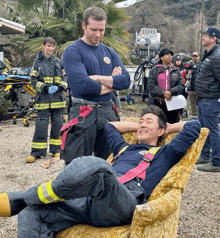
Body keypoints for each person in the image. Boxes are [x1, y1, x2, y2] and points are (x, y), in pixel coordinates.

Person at [0, 105, 201, 238]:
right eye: (140, 121)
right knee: (33, 211)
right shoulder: (123, 148)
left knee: (101, 170)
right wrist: (140, 126)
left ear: (160, 131)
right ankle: (27, 202)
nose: (142, 124)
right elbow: (110, 127)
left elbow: (195, 126)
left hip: (122, 203)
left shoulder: (165, 152)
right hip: (88, 203)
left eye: (148, 121)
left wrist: (168, 127)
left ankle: (23, 197)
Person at [61, 7, 130, 165]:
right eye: (93, 29)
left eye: (102, 30)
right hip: (83, 112)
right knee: (77, 165)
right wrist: (112, 81)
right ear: (83, 26)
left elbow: (125, 81)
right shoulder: (73, 51)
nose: (98, 34)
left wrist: (96, 78)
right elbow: (82, 86)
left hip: (107, 112)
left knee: (107, 164)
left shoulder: (109, 52)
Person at [26, 37, 68, 163]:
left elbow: (66, 78)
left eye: (52, 46)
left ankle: (56, 150)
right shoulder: (37, 63)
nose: (50, 49)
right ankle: (37, 152)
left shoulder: (59, 62)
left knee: (57, 126)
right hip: (43, 99)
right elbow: (33, 81)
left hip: (58, 100)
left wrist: (60, 86)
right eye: (48, 46)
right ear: (43, 46)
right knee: (41, 126)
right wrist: (44, 88)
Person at [195, 26, 220, 172]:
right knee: (204, 129)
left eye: (205, 35)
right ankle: (205, 155)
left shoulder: (217, 56)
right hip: (203, 98)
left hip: (211, 98)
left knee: (212, 130)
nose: (202, 37)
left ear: (213, 39)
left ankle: (217, 161)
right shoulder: (208, 54)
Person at [147, 48, 185, 124]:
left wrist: (171, 92)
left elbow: (181, 85)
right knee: (157, 124)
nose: (169, 56)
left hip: (173, 103)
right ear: (161, 58)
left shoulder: (176, 70)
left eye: (170, 55)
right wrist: (163, 93)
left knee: (171, 125)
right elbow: (151, 86)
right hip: (157, 103)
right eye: (167, 55)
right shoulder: (154, 71)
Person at [185, 51, 200, 117]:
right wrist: (188, 73)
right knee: (193, 104)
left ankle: (201, 117)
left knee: (200, 104)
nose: (195, 58)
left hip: (199, 88)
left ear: (198, 57)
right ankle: (195, 116)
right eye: (194, 56)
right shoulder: (189, 66)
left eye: (196, 56)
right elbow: (186, 77)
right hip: (191, 88)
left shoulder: (201, 65)